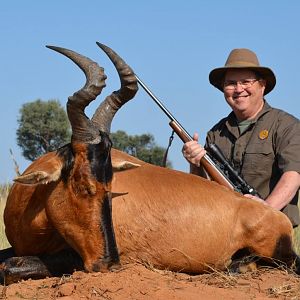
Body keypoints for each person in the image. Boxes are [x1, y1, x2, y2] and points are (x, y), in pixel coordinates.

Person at [182, 48, 300, 226]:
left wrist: (265, 212)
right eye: (231, 83)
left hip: (271, 232)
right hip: (225, 233)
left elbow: (292, 177)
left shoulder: (286, 125)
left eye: (246, 81)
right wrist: (195, 163)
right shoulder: (215, 134)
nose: (238, 89)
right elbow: (204, 190)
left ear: (262, 85)